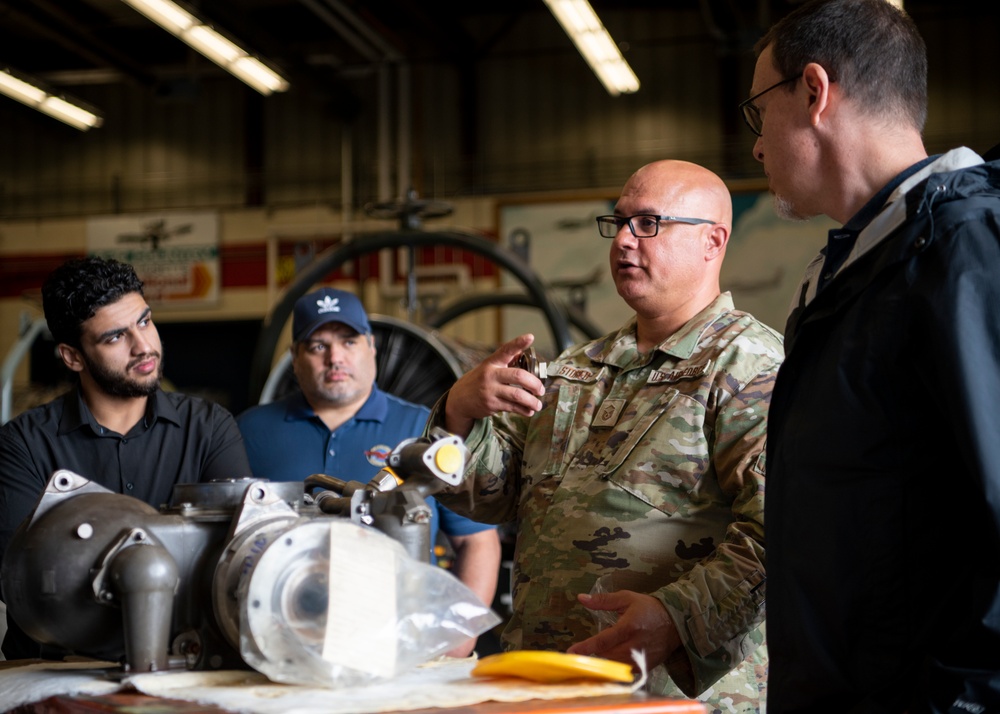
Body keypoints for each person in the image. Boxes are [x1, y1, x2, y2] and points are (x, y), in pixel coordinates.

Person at [425, 160, 784, 712]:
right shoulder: (577, 370)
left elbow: (781, 534)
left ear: (713, 241)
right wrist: (459, 413)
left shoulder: (750, 366)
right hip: (547, 686)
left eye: (648, 223)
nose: (622, 241)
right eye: (617, 222)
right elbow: (489, 497)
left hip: (674, 696)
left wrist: (675, 619)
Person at [741, 1, 1000, 711]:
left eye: (759, 111)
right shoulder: (861, 267)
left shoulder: (962, 249)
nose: (758, 147)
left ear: (815, 92)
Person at [0, 255, 252, 660]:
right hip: (55, 674)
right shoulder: (23, 444)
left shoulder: (209, 427)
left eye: (144, 321)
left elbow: (235, 555)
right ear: (73, 357)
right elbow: (21, 577)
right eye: (115, 337)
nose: (144, 346)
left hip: (179, 661)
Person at [236, 287, 501, 658]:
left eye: (349, 341)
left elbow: (477, 540)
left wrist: (457, 636)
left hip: (397, 645)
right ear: (295, 358)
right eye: (317, 346)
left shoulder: (424, 427)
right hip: (280, 642)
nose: (335, 358)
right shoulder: (250, 432)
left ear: (371, 347)